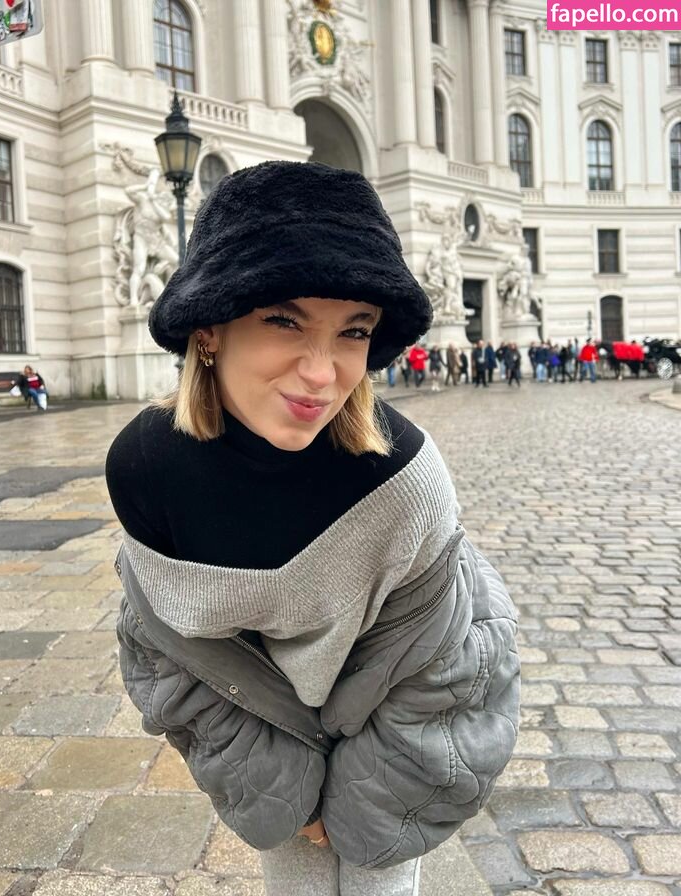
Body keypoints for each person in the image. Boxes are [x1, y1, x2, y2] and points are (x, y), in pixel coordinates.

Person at [105, 161, 519, 896]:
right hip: (268, 737)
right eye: (284, 321)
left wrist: (363, 805)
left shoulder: (404, 477)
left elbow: (444, 668)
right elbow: (171, 657)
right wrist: (288, 796)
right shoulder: (146, 473)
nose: (322, 373)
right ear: (210, 329)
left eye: (353, 331)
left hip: (399, 735)